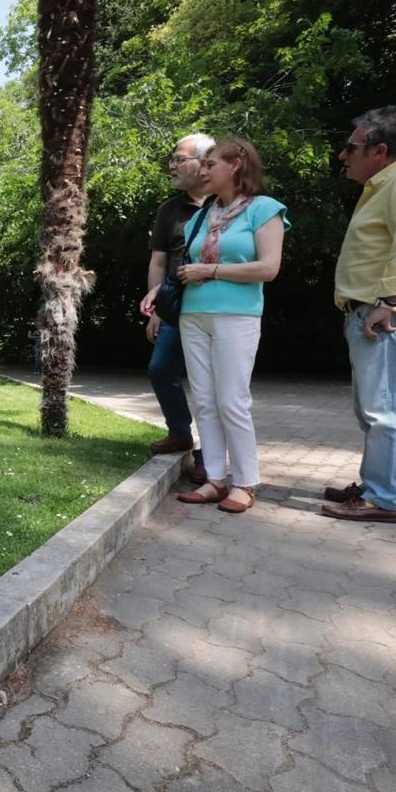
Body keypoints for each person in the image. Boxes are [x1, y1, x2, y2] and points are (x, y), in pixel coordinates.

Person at [144, 138, 287, 513]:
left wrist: (211, 270)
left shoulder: (264, 210)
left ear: (236, 165)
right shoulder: (201, 216)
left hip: (236, 315)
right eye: (202, 165)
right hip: (193, 315)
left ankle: (244, 482)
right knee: (205, 400)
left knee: (232, 400)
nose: (203, 171)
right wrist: (158, 293)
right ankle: (215, 480)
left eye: (210, 165)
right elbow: (180, 266)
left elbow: (268, 268)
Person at [321, 107, 396, 524]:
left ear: (381, 150)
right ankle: (375, 487)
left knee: (387, 410)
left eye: (351, 147)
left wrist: (387, 303)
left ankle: (384, 500)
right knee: (374, 408)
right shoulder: (386, 184)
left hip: (389, 316)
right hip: (375, 314)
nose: (343, 155)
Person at [139, 134, 215, 484]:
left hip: (217, 309)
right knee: (160, 368)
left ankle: (209, 457)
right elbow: (158, 262)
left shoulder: (226, 202)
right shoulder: (169, 210)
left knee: (210, 385)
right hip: (177, 307)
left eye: (178, 158)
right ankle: (180, 432)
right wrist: (156, 306)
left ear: (203, 164)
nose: (171, 165)